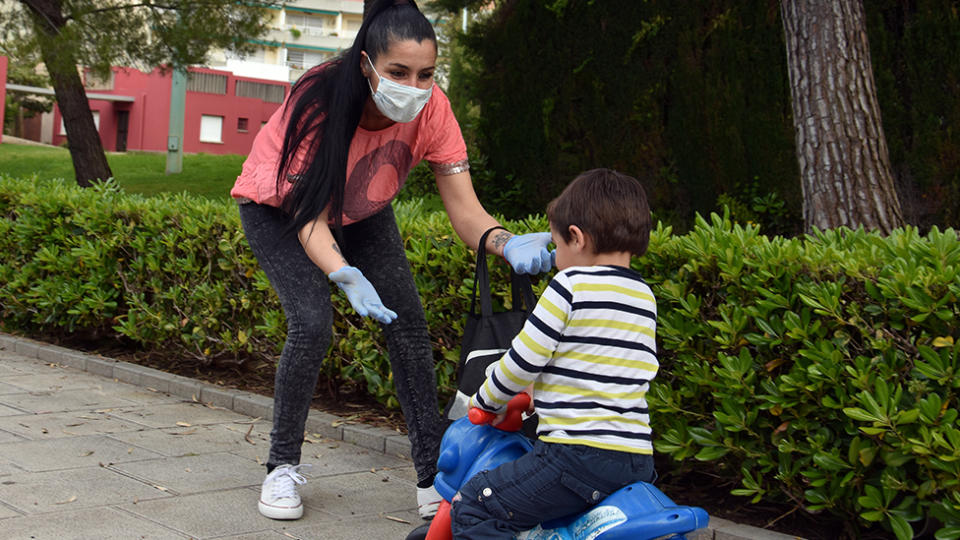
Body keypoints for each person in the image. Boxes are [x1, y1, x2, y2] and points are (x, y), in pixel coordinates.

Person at [230, 0, 553, 522]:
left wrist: (503, 242)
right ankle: (281, 468)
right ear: (366, 64)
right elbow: (309, 216)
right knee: (312, 323)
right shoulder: (319, 98)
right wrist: (341, 272)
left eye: (426, 73)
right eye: (399, 72)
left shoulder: (434, 109)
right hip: (282, 212)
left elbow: (466, 210)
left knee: (409, 327)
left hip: (363, 210)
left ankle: (432, 476)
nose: (414, 85)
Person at [450, 168, 659, 539]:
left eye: (555, 243)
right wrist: (542, 397)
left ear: (575, 238)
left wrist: (486, 398)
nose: (555, 255)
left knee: (475, 506)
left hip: (574, 458)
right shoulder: (643, 296)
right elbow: (603, 365)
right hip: (636, 460)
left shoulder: (570, 286)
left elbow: (521, 361)